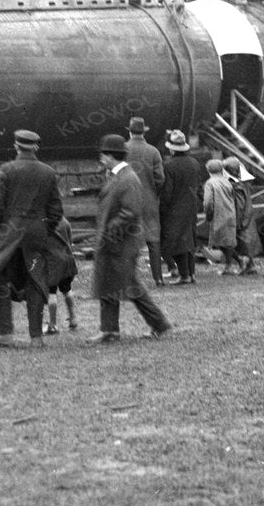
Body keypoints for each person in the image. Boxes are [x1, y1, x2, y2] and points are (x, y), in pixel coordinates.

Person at [0, 129, 73, 348]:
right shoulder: (48, 172)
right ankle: (36, 337)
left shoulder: (7, 170)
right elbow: (56, 210)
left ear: (16, 147)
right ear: (36, 147)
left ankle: (5, 333)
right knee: (35, 279)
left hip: (10, 232)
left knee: (0, 277)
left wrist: (0, 231)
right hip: (37, 234)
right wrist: (43, 229)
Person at [87, 135, 170, 342]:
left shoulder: (128, 178)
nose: (101, 158)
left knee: (130, 286)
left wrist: (109, 233)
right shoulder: (118, 176)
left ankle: (159, 323)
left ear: (111, 156)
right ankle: (109, 330)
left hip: (121, 243)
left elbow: (130, 212)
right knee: (109, 283)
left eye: (103, 154)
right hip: (115, 242)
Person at [158, 129, 205, 285]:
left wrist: (162, 209)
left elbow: (167, 192)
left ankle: (184, 275)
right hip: (191, 207)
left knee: (174, 242)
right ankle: (191, 274)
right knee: (189, 241)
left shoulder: (169, 166)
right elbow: (199, 188)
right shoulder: (194, 163)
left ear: (172, 149)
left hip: (174, 209)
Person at [124, 117, 167, 285]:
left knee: (128, 239)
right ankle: (158, 278)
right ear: (144, 132)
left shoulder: (122, 149)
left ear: (129, 131)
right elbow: (160, 178)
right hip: (149, 200)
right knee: (153, 240)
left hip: (127, 200)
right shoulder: (153, 151)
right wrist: (152, 192)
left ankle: (129, 279)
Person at [200, 158, 238, 275]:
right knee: (228, 242)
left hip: (218, 215)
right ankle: (232, 264)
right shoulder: (227, 182)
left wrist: (208, 214)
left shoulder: (210, 183)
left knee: (217, 241)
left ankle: (232, 264)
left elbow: (207, 202)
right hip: (230, 213)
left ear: (208, 170)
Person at [225, 158, 261, 276]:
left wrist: (238, 220)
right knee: (246, 243)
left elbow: (239, 205)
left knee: (243, 243)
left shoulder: (236, 186)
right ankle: (250, 266)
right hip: (247, 215)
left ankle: (246, 266)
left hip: (242, 218)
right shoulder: (243, 184)